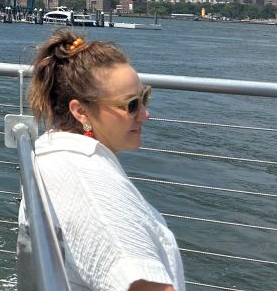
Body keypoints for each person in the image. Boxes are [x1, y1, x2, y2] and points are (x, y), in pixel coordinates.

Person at [18, 30, 184, 291]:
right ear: (81, 111)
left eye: (145, 98)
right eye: (131, 105)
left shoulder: (52, 151)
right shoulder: (92, 189)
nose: (145, 114)